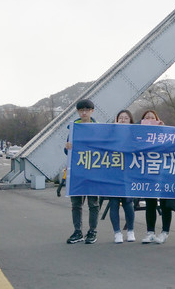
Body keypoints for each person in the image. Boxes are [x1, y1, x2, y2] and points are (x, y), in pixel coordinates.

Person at [139, 110, 175, 244]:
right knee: (150, 203)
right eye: (146, 118)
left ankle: (164, 232)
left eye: (152, 118)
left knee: (165, 204)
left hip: (164, 173)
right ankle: (150, 232)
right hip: (148, 173)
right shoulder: (138, 135)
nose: (149, 119)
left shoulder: (164, 133)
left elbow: (172, 145)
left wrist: (163, 129)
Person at [65, 99, 100, 244]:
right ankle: (77, 231)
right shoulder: (73, 128)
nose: (84, 112)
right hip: (77, 172)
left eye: (87, 110)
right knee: (76, 204)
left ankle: (92, 231)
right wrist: (67, 147)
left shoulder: (99, 129)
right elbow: (68, 153)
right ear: (78, 112)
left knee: (93, 204)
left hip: (93, 171)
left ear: (92, 111)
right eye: (81, 110)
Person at [109, 110, 136, 244]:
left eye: (126, 118)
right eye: (121, 118)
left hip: (128, 172)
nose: (123, 120)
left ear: (131, 121)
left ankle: (130, 230)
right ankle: (117, 232)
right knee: (113, 203)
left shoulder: (135, 134)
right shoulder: (110, 132)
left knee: (128, 203)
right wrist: (114, 130)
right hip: (113, 172)